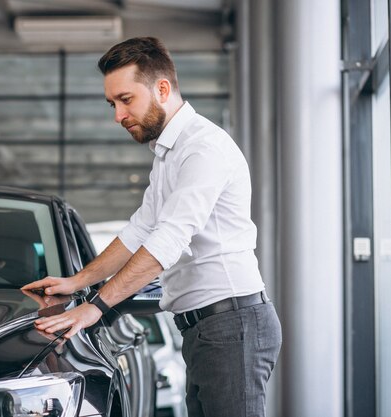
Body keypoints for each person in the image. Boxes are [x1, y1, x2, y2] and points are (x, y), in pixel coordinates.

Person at [22, 37, 282, 417]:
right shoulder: (168, 153)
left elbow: (166, 242)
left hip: (231, 327)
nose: (117, 115)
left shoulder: (202, 149)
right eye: (113, 104)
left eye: (126, 99)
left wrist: (93, 309)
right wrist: (76, 282)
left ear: (162, 89)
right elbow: (139, 231)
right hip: (207, 330)